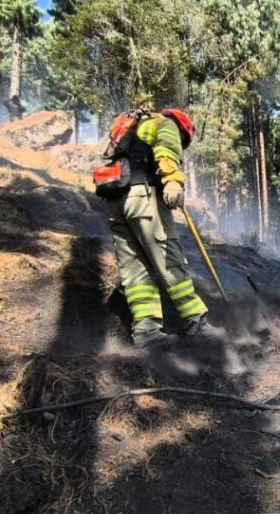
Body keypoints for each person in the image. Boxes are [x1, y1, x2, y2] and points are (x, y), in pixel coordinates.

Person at [104, 107, 217, 348]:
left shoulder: (134, 127)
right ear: (183, 128)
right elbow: (166, 151)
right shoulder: (166, 124)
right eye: (184, 140)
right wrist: (173, 181)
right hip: (142, 197)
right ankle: (196, 320)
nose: (182, 143)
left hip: (115, 201)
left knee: (135, 268)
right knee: (168, 258)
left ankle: (147, 331)